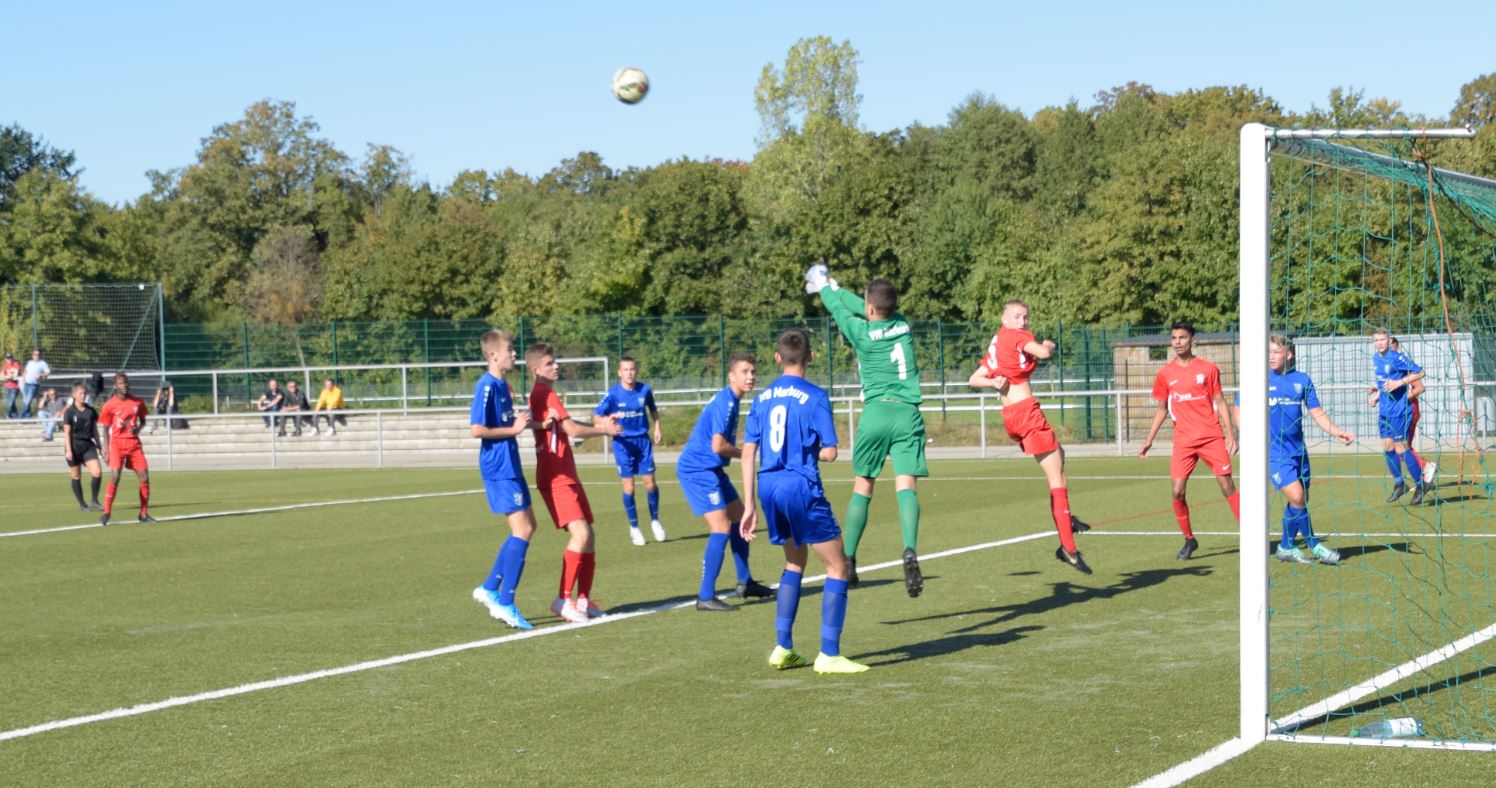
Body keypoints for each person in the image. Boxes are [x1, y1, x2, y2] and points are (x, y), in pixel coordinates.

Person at [739, 328, 868, 674]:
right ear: (810, 357)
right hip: (800, 486)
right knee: (837, 566)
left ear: (778, 358)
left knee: (795, 563)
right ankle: (829, 653)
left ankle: (783, 647)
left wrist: (749, 505)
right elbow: (829, 452)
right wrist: (815, 449)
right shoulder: (815, 396)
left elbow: (748, 451)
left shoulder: (761, 398)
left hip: (767, 486)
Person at [806, 264, 928, 597]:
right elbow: (871, 306)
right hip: (907, 413)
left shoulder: (860, 332)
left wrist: (826, 288)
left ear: (870, 308)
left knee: (863, 487)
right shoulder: (902, 324)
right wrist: (836, 287)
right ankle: (909, 550)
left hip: (875, 414)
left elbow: (839, 308)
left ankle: (848, 559)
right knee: (906, 487)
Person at [967, 300, 1094, 574]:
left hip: (1012, 416)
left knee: (1059, 458)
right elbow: (1043, 353)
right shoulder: (1017, 336)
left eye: (1026, 316)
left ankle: (1067, 520)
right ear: (1004, 318)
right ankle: (1069, 550)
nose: (1023, 321)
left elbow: (974, 378)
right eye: (1017, 316)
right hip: (1027, 413)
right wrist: (1049, 344)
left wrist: (992, 382)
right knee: (1056, 479)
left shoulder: (998, 342)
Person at [1237, 337, 1356, 565]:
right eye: (1268, 351)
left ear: (1288, 354)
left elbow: (1317, 412)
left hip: (1298, 452)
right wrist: (1248, 435)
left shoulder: (1302, 380)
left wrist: (1337, 432)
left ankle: (1285, 546)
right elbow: (1238, 410)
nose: (1270, 356)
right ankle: (1315, 545)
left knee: (1300, 500)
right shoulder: (1257, 379)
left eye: (1275, 351)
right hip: (1273, 453)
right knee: (1297, 496)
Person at [526, 342, 622, 623]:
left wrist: (601, 427)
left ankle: (582, 600)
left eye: (555, 361)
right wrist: (604, 429)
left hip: (566, 474)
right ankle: (563, 599)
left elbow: (566, 424)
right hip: (556, 476)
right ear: (536, 370)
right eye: (549, 363)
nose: (556, 366)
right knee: (580, 535)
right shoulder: (544, 393)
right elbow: (571, 429)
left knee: (588, 536)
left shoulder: (543, 393)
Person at [676, 351, 773, 611]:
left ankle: (745, 583)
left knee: (740, 518)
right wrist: (745, 454)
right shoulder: (726, 402)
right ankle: (705, 596)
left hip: (712, 470)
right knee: (720, 528)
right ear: (732, 376)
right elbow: (718, 445)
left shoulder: (733, 399)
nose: (751, 376)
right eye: (745, 372)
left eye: (753, 371)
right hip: (697, 470)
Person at [1139, 321, 1239, 560]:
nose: (1177, 342)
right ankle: (1189, 540)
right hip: (1183, 441)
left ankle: (1250, 535)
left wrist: (1231, 433)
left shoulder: (1208, 368)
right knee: (1177, 491)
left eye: (1182, 337)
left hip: (1211, 437)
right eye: (1174, 338)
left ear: (1192, 339)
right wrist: (1149, 439)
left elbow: (1220, 401)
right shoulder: (1165, 374)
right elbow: (1162, 409)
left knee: (1226, 485)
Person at [469, 329, 538, 630]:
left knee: (529, 526)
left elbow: (509, 424)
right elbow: (477, 429)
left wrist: (533, 423)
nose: (514, 354)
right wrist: (513, 430)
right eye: (509, 349)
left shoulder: (503, 386)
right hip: (499, 467)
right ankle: (506, 601)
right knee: (521, 530)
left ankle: (488, 588)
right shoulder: (486, 386)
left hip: (511, 463)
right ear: (493, 355)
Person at [595, 356, 666, 546]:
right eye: (625, 370)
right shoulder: (613, 394)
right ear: (619, 372)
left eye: (632, 369)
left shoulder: (645, 390)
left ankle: (655, 521)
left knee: (650, 484)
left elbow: (653, 410)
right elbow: (596, 416)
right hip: (622, 444)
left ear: (636, 371)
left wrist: (657, 426)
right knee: (629, 487)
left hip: (643, 442)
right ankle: (634, 528)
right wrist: (607, 423)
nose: (629, 373)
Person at [1367, 329, 1427, 505]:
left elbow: (1420, 372)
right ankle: (1399, 484)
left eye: (1382, 339)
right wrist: (1377, 396)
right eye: (1376, 340)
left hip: (1400, 410)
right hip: (1385, 411)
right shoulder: (1376, 358)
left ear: (1388, 340)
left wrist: (1399, 383)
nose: (1379, 343)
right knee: (1387, 447)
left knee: (1401, 448)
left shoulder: (1397, 358)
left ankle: (1421, 484)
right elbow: (1384, 383)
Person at [97, 372, 155, 525]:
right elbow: (105, 428)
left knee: (144, 477)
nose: (125, 385)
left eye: (126, 382)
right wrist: (106, 450)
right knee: (115, 476)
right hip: (117, 444)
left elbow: (143, 421)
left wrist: (138, 429)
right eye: (122, 383)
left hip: (134, 445)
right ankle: (107, 512)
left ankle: (143, 513)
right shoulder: (110, 404)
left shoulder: (137, 402)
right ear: (115, 386)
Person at [1382, 337, 1437, 491]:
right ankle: (1422, 479)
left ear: (1396, 348)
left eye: (1390, 349)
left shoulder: (1404, 367)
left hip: (1408, 410)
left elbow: (1420, 388)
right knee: (1399, 448)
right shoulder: (1389, 368)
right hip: (1397, 412)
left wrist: (1401, 399)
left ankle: (1426, 468)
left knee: (1402, 448)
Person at [62, 382, 105, 512]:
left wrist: (100, 447)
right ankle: (82, 504)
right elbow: (67, 432)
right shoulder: (69, 412)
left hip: (88, 445)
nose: (83, 396)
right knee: (76, 475)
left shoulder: (90, 411)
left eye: (84, 393)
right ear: (74, 394)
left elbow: (95, 430)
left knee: (97, 472)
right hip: (74, 446)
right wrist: (69, 450)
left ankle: (94, 501)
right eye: (80, 393)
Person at [20, 349, 50, 418]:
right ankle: (27, 417)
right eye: (35, 354)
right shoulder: (29, 362)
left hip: (33, 385)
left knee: (27, 402)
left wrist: (41, 375)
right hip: (26, 384)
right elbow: (25, 371)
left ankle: (21, 417)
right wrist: (23, 378)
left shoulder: (43, 363)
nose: (37, 356)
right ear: (32, 355)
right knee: (25, 402)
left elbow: (48, 372)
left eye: (38, 354)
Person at [2, 352, 20, 418]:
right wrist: (8, 376)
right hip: (7, 387)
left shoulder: (16, 364)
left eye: (10, 358)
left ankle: (7, 413)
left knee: (11, 402)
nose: (9, 359)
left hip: (14, 387)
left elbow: (15, 375)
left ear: (13, 358)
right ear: (6, 359)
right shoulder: (5, 365)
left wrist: (6, 376)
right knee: (12, 403)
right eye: (8, 358)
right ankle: (16, 416)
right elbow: (1, 375)